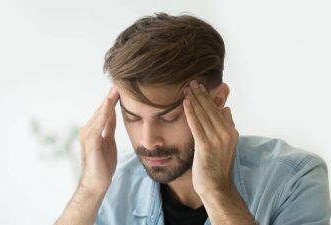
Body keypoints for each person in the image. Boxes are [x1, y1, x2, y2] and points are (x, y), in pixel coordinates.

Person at [55, 13, 331, 225]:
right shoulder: (112, 186)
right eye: (133, 118)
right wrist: (90, 190)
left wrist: (216, 190)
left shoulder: (294, 179)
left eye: (169, 117)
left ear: (217, 101)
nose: (149, 141)